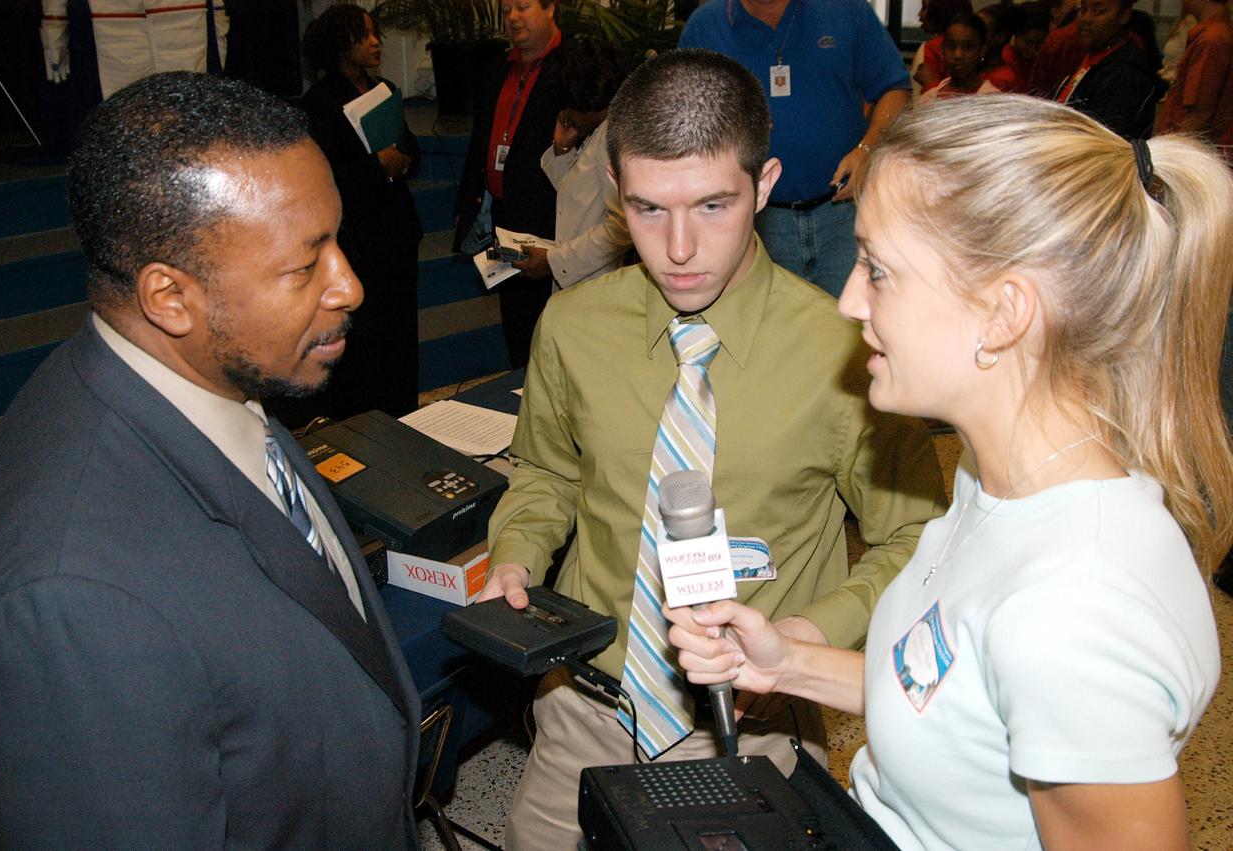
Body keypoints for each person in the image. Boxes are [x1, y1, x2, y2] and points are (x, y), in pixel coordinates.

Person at [666, 93, 1230, 849]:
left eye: (879, 270)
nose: (848, 301)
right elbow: (954, 699)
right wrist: (788, 662)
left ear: (1003, 313)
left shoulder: (1075, 608)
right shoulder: (1003, 486)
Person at [481, 49, 947, 850]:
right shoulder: (575, 325)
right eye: (648, 210)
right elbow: (550, 471)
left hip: (756, 723)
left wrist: (809, 632)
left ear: (764, 186)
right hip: (589, 701)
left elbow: (916, 541)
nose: (680, 248)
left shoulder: (849, 349)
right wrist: (517, 552)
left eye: (713, 205)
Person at [0, 72, 422, 847]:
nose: (350, 285)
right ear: (169, 297)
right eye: (305, 266)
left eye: (336, 239)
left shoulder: (206, 377)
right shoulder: (69, 606)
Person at [679, 0, 913, 299]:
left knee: (851, 329)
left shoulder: (846, 10)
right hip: (754, 222)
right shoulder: (706, 26)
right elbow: (684, 116)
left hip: (844, 213)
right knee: (772, 335)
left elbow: (894, 89)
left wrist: (867, 150)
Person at [273, 3, 423, 425]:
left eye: (377, 35)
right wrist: (377, 165)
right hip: (356, 237)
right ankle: (363, 422)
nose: (376, 43)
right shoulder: (319, 102)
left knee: (400, 333)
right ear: (341, 46)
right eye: (365, 36)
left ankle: (404, 416)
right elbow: (321, 174)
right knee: (363, 339)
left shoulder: (385, 90)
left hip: (395, 229)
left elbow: (413, 148)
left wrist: (402, 158)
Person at [454, 0, 565, 368]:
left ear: (550, 9)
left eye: (522, 7)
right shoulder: (497, 71)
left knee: (552, 339)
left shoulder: (571, 69)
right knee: (517, 332)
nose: (512, 18)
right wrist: (466, 207)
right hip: (504, 221)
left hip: (553, 223)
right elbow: (480, 143)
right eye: (506, 10)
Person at [509, 39, 633, 289]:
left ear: (585, 100)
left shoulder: (612, 138)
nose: (566, 113)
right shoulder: (599, 133)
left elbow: (622, 227)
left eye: (568, 105)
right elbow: (579, 198)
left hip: (597, 285)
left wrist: (554, 261)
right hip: (583, 280)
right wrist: (562, 149)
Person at [1055, 0, 1158, 138]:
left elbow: (1109, 139)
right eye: (1083, 9)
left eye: (1100, 11)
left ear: (1123, 16)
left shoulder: (1124, 73)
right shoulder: (1094, 56)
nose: (1086, 19)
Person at [1156, 0, 1233, 161]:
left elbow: (1199, 113)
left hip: (1190, 151)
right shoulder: (1210, 35)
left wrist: (1174, 157)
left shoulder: (1212, 39)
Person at [918, 14, 1004, 103]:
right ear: (942, 49)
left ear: (982, 50)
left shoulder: (993, 102)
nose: (958, 55)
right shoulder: (928, 99)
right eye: (951, 46)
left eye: (968, 47)